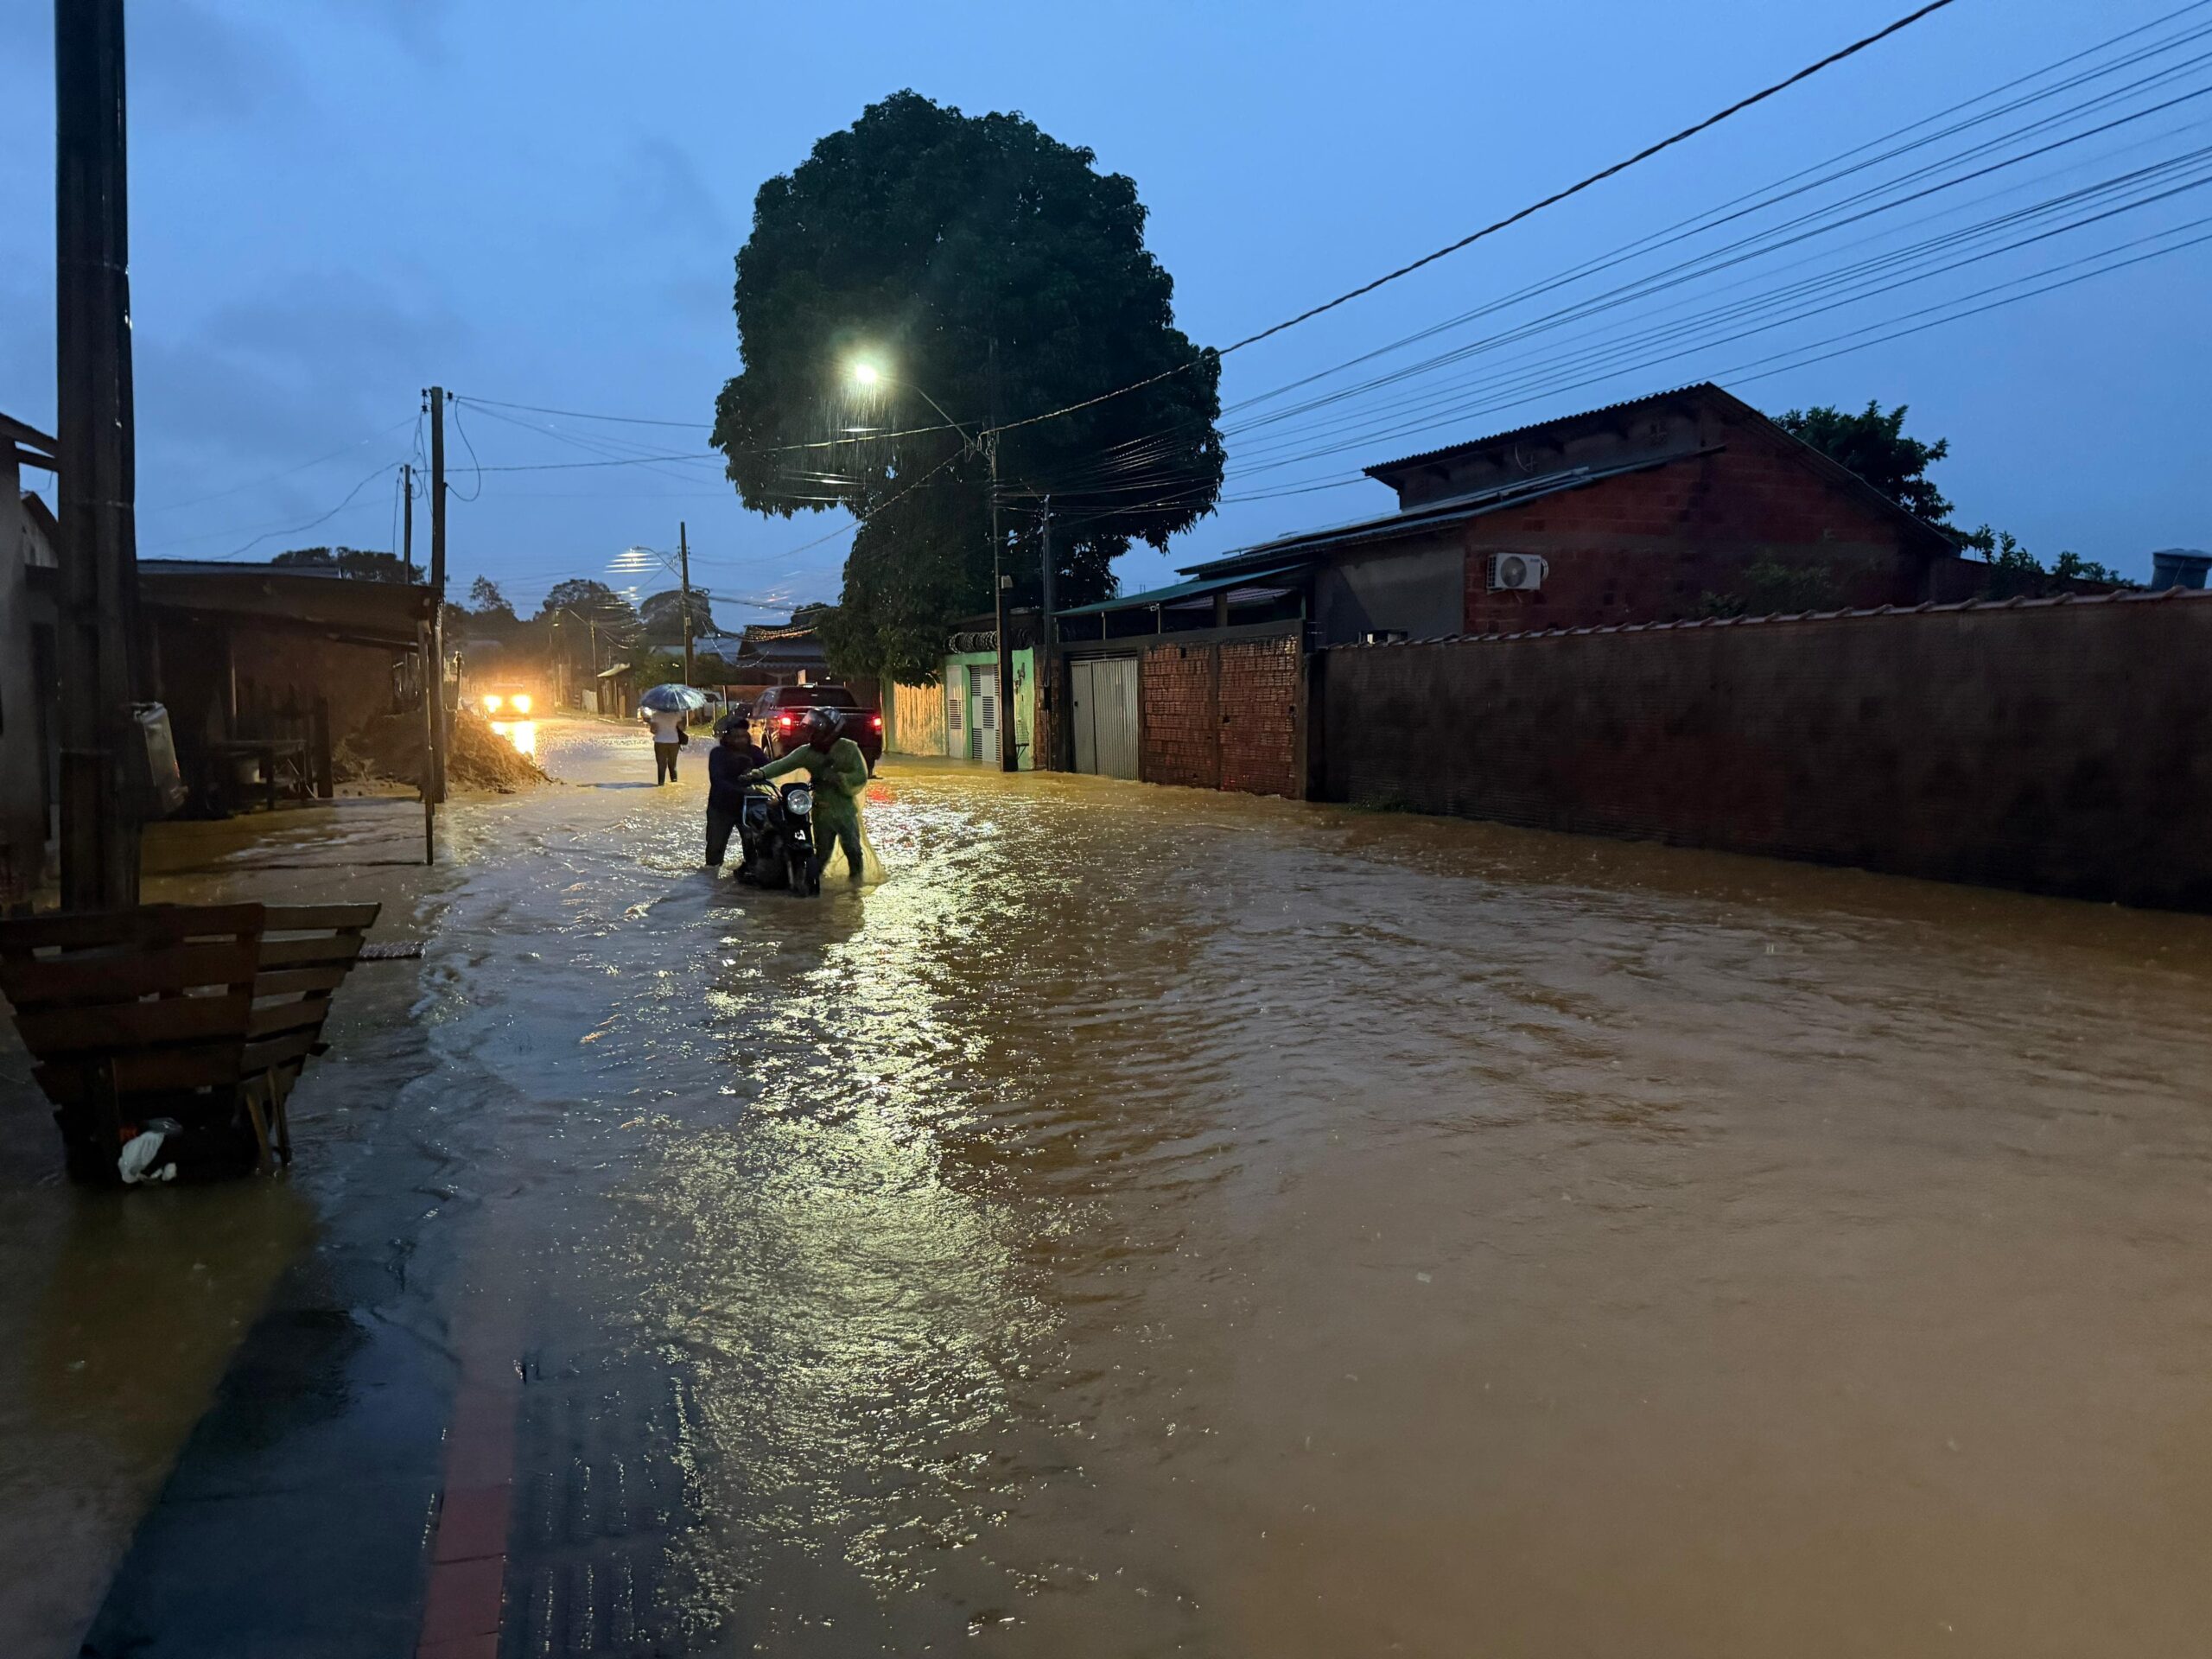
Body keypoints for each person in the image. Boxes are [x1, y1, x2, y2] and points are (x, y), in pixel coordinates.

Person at [746, 708, 869, 881]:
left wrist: (840, 778)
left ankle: (856, 886)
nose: (812, 735)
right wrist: (760, 773)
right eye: (810, 731)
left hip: (845, 809)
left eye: (816, 732)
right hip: (821, 808)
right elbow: (783, 764)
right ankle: (814, 881)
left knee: (853, 849)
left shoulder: (849, 749)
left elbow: (860, 775)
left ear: (831, 732)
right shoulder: (807, 752)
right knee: (822, 851)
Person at [704, 709, 766, 873]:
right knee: (714, 852)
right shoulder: (718, 754)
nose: (741, 740)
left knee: (754, 848)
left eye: (743, 736)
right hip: (721, 807)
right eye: (736, 736)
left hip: (749, 808)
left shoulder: (755, 752)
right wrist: (744, 791)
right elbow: (718, 781)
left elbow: (769, 770)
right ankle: (711, 880)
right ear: (727, 738)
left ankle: (752, 872)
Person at [639, 701, 685, 784]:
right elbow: (681, 728)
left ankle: (661, 784)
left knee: (661, 766)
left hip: (660, 742)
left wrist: (659, 730)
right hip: (674, 742)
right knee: (673, 765)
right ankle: (674, 783)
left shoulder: (656, 715)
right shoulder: (676, 715)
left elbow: (653, 730)